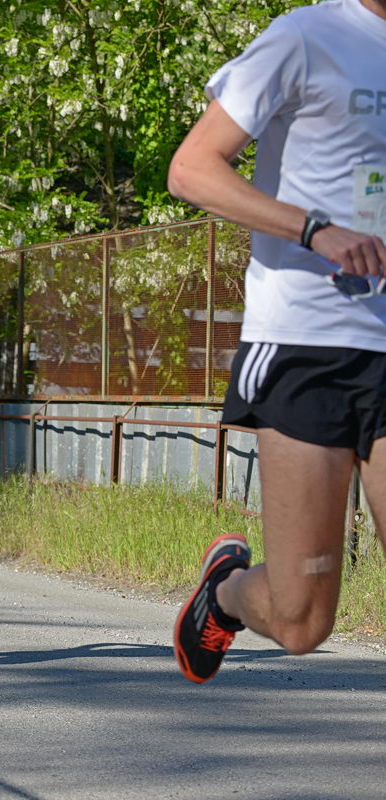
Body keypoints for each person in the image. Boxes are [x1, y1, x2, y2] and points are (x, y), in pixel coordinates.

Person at [168, 0, 386, 683]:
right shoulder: (305, 36)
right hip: (307, 343)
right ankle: (225, 593)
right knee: (300, 621)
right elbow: (191, 169)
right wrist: (314, 229)